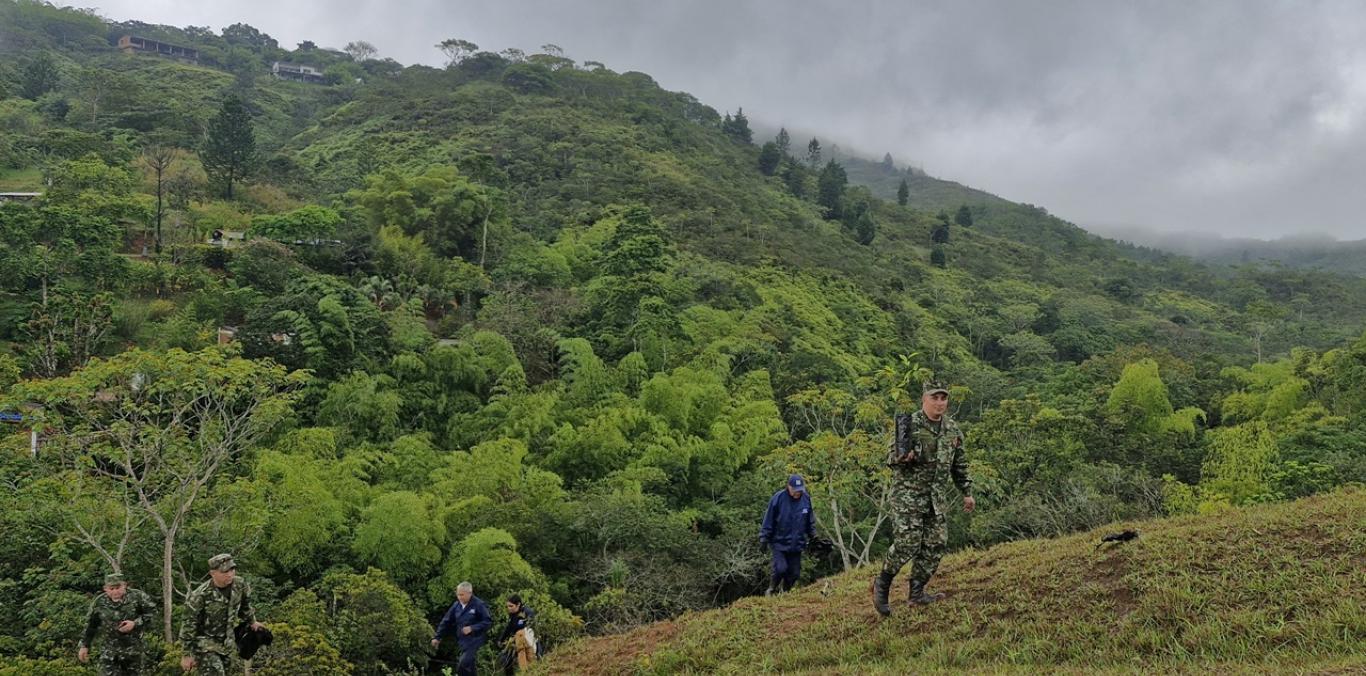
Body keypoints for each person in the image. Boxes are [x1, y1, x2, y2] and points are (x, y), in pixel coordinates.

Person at [871, 381, 974, 616]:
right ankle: (882, 584)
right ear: (924, 400)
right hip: (908, 497)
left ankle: (916, 594)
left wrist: (967, 493)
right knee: (907, 544)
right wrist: (902, 457)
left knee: (935, 544)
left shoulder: (952, 429)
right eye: (934, 398)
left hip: (935, 499)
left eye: (943, 398)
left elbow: (959, 465)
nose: (939, 403)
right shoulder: (910, 424)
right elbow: (891, 457)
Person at [179, 554, 264, 674]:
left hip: (228, 645)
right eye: (225, 571)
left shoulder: (240, 585)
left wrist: (252, 621)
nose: (230, 574)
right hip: (205, 645)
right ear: (213, 573)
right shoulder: (199, 596)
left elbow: (245, 607)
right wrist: (186, 654)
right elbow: (188, 625)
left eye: (232, 569)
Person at [78, 572, 156, 675]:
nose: (115, 591)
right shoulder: (100, 602)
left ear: (125, 585)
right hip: (109, 653)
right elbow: (91, 625)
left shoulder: (138, 597)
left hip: (134, 652)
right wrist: (84, 646)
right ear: (105, 588)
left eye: (118, 587)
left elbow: (152, 614)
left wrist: (135, 623)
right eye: (111, 588)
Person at [759, 474, 816, 595]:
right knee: (781, 568)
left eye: (800, 491)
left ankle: (785, 591)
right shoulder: (778, 498)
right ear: (788, 487)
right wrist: (764, 538)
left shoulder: (806, 499)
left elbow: (809, 520)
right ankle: (772, 589)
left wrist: (813, 535)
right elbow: (768, 519)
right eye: (795, 490)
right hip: (779, 542)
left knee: (795, 573)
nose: (797, 493)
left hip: (797, 543)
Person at [432, 581, 493, 676]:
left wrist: (472, 628)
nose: (459, 597)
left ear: (470, 593)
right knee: (468, 668)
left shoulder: (479, 605)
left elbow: (488, 622)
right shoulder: (456, 605)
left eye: (462, 595)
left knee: (462, 664)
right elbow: (446, 621)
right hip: (462, 641)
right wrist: (437, 637)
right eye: (458, 594)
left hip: (475, 640)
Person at [495, 594, 537, 674]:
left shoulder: (526, 612)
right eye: (507, 606)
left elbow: (531, 623)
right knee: (506, 660)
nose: (509, 608)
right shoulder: (513, 614)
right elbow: (509, 627)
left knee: (533, 658)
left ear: (518, 604)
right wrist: (501, 639)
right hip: (516, 640)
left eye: (511, 606)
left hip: (529, 639)